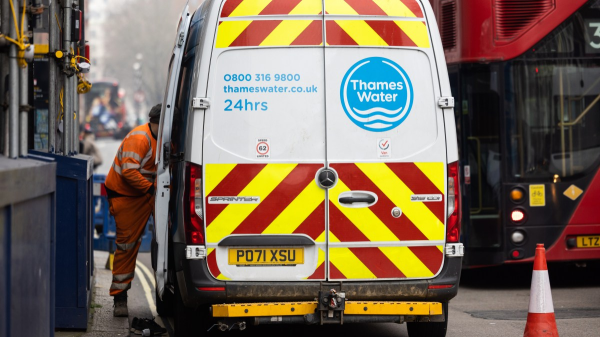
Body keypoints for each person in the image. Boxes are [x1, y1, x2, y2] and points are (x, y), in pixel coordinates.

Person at [104, 104, 161, 317]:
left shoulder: (161, 138)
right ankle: (120, 298)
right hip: (127, 197)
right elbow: (129, 171)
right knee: (127, 246)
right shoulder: (140, 138)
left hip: (146, 194)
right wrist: (151, 189)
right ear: (159, 122)